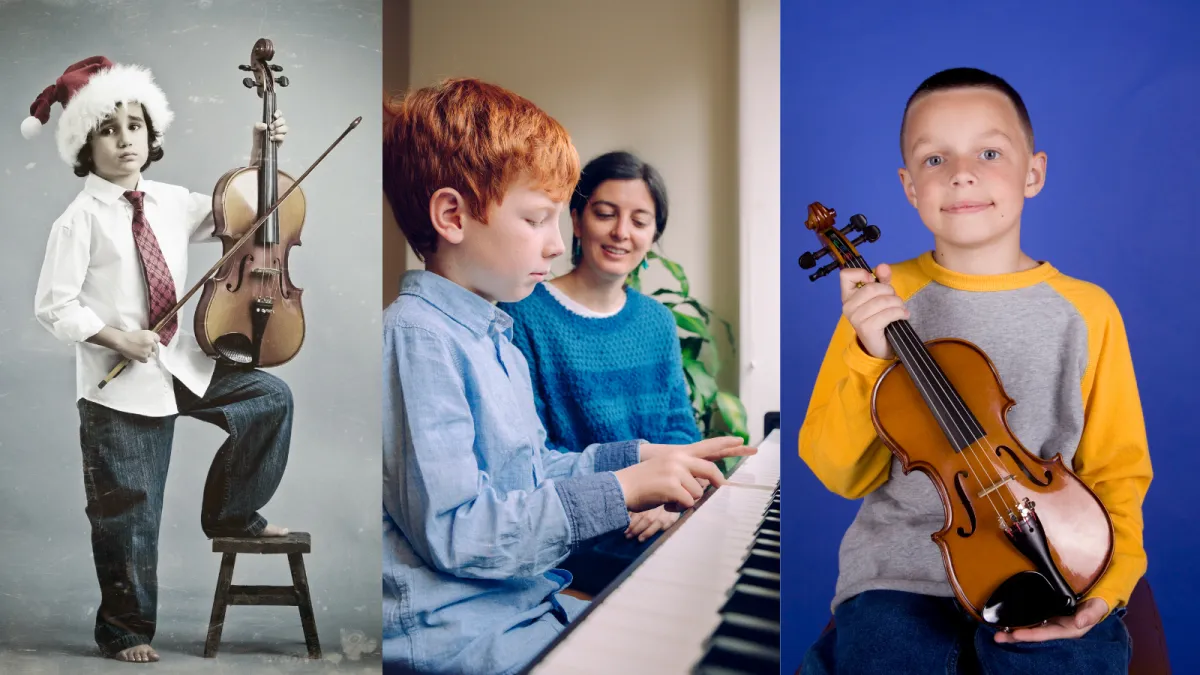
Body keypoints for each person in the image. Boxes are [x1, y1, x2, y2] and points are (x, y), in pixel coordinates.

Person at [382, 77, 754, 675]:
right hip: (461, 633)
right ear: (452, 215)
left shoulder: (490, 333)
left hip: (525, 602)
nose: (557, 244)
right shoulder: (419, 338)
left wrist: (639, 458)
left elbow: (532, 471)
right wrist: (625, 491)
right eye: (537, 219)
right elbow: (460, 532)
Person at [797, 66, 1152, 674]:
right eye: (935, 159)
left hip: (1051, 563)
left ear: (1033, 172)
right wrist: (869, 353)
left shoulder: (1088, 311)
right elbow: (839, 472)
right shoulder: (883, 298)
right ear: (910, 187)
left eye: (989, 152)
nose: (961, 172)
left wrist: (1111, 584)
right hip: (901, 577)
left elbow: (1117, 469)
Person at [28, 56, 294, 664]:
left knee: (268, 399)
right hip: (119, 385)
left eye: (136, 127)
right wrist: (117, 338)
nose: (125, 141)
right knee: (130, 511)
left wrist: (259, 148)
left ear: (153, 137)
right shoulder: (79, 221)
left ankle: (231, 513)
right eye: (108, 129)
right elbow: (53, 306)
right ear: (85, 145)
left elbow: (244, 211)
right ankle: (125, 629)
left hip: (180, 363)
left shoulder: (170, 201)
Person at [497, 150, 700, 596]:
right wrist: (622, 498)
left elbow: (681, 431)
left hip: (655, 520)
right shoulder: (523, 314)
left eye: (640, 221)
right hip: (575, 533)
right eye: (605, 213)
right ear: (576, 219)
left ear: (653, 234)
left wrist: (670, 504)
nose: (621, 233)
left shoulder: (656, 321)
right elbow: (530, 454)